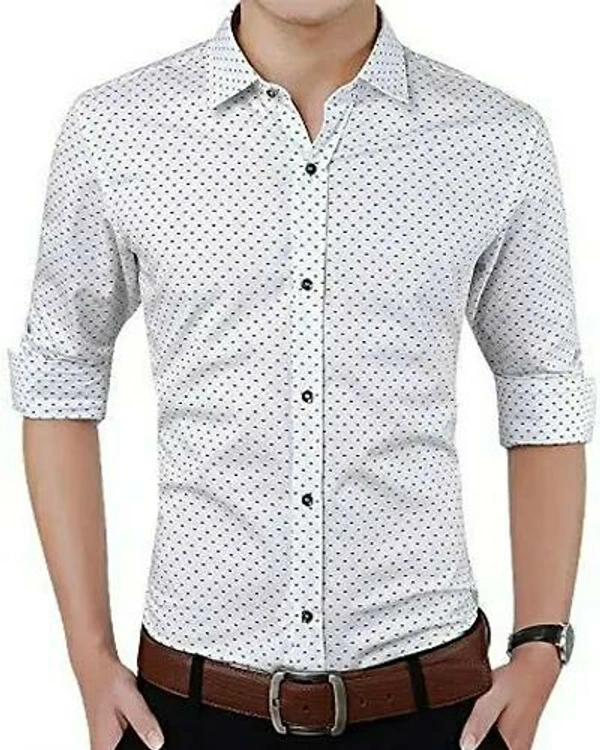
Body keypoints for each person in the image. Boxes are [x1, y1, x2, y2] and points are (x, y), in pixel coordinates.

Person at [7, 1, 595, 748]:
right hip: (183, 710)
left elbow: (542, 391)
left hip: (439, 707)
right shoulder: (114, 129)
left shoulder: (497, 138)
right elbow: (59, 380)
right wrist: (88, 658)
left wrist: (541, 644)